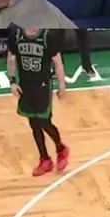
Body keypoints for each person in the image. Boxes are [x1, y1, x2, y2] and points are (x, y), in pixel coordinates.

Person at [6, 26, 69, 177]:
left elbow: (58, 62)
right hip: (26, 84)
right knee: (33, 123)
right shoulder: (17, 35)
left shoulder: (48, 36)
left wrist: (62, 85)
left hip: (43, 85)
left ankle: (61, 149)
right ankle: (44, 159)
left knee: (43, 121)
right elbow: (11, 58)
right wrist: (13, 82)